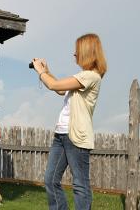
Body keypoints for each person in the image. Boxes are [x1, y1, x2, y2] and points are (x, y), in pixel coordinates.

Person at [31, 33, 107, 210]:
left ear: (87, 52)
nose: (74, 54)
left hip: (77, 137)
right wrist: (47, 71)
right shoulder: (81, 76)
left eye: (77, 50)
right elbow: (59, 89)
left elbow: (53, 85)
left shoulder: (91, 77)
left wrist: (40, 71)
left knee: (80, 184)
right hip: (61, 135)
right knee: (50, 180)